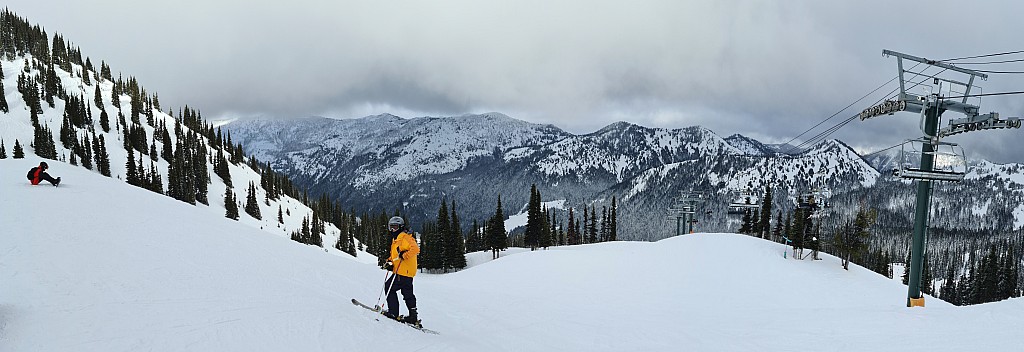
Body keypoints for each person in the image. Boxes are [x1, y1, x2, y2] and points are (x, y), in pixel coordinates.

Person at [382, 216, 420, 325]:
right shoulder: (397, 239)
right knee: (407, 293)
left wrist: (405, 255)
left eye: (395, 227)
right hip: (406, 272)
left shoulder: (404, 238)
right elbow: (395, 256)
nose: (392, 230)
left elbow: (415, 249)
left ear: (401, 227)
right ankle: (413, 316)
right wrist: (389, 262)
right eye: (391, 227)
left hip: (402, 271)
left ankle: (393, 312)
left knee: (389, 286)